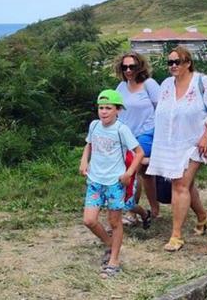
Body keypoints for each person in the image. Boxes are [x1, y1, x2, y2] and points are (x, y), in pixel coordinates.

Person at [147, 46, 207, 252]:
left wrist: (206, 136)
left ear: (188, 63)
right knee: (184, 184)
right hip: (168, 142)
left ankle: (176, 235)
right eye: (170, 62)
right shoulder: (165, 85)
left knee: (180, 185)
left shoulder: (202, 82)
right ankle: (203, 216)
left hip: (194, 142)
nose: (173, 66)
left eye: (177, 62)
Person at [79, 89, 147, 278]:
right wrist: (84, 160)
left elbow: (139, 153)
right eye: (101, 108)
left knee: (114, 221)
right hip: (95, 181)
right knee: (89, 220)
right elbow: (89, 144)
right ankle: (110, 244)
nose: (104, 112)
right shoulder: (94, 126)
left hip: (114, 183)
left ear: (118, 110)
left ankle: (114, 260)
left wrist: (129, 173)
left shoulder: (121, 129)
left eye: (108, 108)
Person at [114, 52, 161, 223]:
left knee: (133, 168)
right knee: (146, 174)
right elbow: (116, 110)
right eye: (124, 67)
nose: (128, 70)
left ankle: (132, 211)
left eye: (132, 66)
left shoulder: (149, 84)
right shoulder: (121, 87)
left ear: (139, 67)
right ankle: (154, 208)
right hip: (127, 134)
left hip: (146, 132)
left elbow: (160, 108)